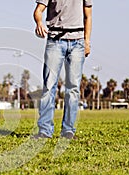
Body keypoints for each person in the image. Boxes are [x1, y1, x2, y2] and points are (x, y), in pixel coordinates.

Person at [33, 0, 93, 139]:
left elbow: (88, 15)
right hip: (55, 41)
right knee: (49, 86)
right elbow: (38, 11)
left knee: (73, 88)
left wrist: (87, 42)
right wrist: (39, 23)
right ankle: (45, 130)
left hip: (78, 42)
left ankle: (68, 130)